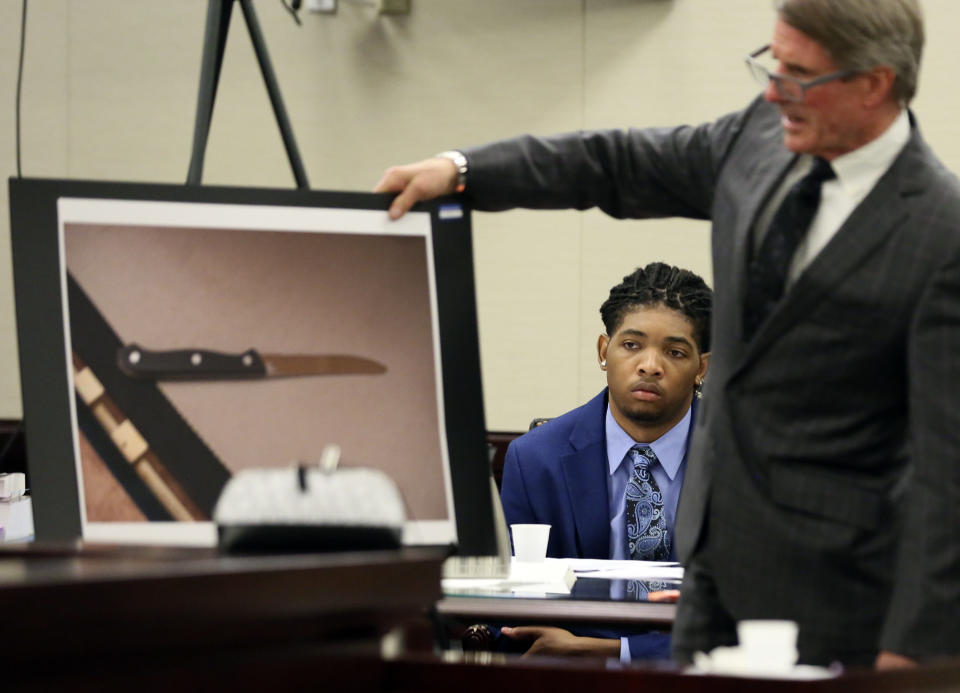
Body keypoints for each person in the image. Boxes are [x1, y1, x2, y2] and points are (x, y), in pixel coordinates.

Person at [375, 0, 960, 670]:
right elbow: (616, 162)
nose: (773, 91)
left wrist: (917, 648)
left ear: (874, 83)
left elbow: (949, 468)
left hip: (844, 596)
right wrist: (463, 171)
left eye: (799, 76)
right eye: (772, 64)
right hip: (710, 576)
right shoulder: (760, 139)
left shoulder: (940, 235)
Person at [498, 262, 711, 661]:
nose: (650, 365)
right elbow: (510, 605)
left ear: (702, 367)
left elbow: (755, 607)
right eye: (632, 345)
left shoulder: (739, 459)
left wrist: (609, 651)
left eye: (675, 351)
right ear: (603, 351)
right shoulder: (535, 459)